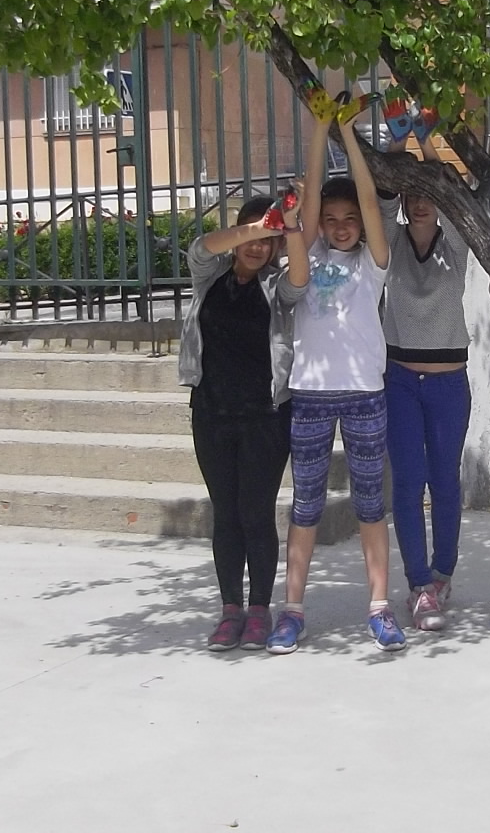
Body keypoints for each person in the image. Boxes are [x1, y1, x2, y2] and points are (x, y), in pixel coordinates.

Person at [267, 109, 403, 654]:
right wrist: (319, 130)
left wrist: (349, 131)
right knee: (306, 506)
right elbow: (312, 196)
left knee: (371, 504)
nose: (343, 224)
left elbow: (371, 202)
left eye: (351, 218)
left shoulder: (374, 263)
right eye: (333, 218)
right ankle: (292, 610)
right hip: (311, 396)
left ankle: (379, 606)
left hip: (365, 394)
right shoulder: (306, 253)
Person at [181, 193, 309, 652]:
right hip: (211, 413)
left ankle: (259, 610)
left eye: (267, 239)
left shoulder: (275, 287)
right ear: (238, 237)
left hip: (265, 417)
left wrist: (288, 228)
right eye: (250, 235)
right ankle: (229, 609)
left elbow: (299, 280)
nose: (257, 247)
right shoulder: (208, 276)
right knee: (226, 515)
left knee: (255, 514)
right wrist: (261, 224)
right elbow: (199, 247)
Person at [378, 128, 471, 633]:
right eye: (412, 196)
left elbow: (453, 197)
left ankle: (442, 573)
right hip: (400, 381)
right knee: (409, 483)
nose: (419, 204)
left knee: (445, 482)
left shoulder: (453, 244)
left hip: (447, 383)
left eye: (426, 195)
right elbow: (383, 192)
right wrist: (397, 146)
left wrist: (427, 142)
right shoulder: (390, 241)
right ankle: (418, 585)